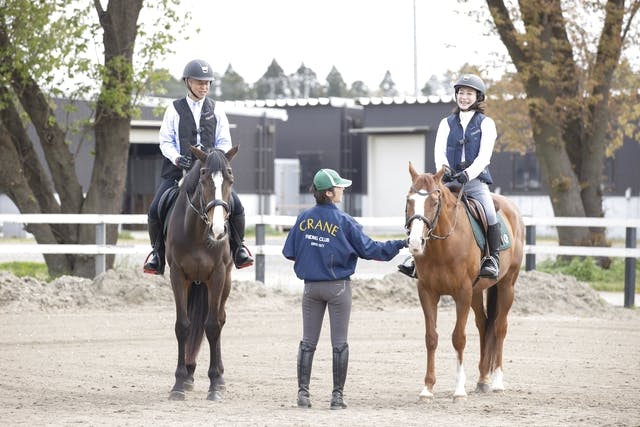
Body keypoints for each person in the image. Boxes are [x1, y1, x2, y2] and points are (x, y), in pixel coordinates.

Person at [282, 168, 408, 410]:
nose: (342, 190)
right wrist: (401, 244)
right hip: (338, 288)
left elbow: (289, 252)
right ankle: (337, 397)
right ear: (329, 193)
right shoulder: (345, 222)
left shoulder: (303, 218)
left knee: (308, 342)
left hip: (310, 289)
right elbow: (372, 251)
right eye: (339, 187)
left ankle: (303, 394)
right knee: (339, 343)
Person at [143, 59, 253, 275]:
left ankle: (239, 249)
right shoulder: (173, 109)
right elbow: (165, 141)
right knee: (155, 209)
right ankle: (157, 253)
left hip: (210, 174)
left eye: (207, 83)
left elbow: (224, 141)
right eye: (199, 82)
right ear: (187, 82)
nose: (204, 87)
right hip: (178, 172)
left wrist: (216, 158)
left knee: (237, 205)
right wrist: (176, 158)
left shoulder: (217, 109)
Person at [398, 73, 501, 280]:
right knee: (426, 209)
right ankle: (417, 260)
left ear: (478, 97)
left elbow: (484, 156)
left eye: (469, 94)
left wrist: (467, 174)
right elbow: (439, 152)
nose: (464, 97)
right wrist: (444, 171)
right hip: (447, 181)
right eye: (461, 93)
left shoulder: (486, 123)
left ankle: (492, 258)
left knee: (489, 213)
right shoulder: (446, 123)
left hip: (475, 182)